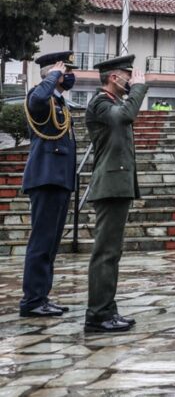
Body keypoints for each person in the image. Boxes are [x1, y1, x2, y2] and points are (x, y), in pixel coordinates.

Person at [84, 54, 148, 333]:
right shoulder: (100, 103)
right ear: (114, 77)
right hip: (109, 186)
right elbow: (125, 117)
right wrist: (139, 88)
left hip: (117, 186)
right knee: (105, 253)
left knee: (113, 252)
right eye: (127, 74)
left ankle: (107, 309)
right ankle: (98, 314)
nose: (130, 79)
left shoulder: (113, 103)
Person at [19, 51, 77, 318]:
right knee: (41, 242)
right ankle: (31, 301)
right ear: (51, 74)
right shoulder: (38, 97)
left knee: (51, 244)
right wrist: (53, 74)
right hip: (45, 178)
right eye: (65, 72)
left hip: (59, 179)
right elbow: (39, 98)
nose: (69, 76)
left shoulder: (59, 102)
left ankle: (41, 296)